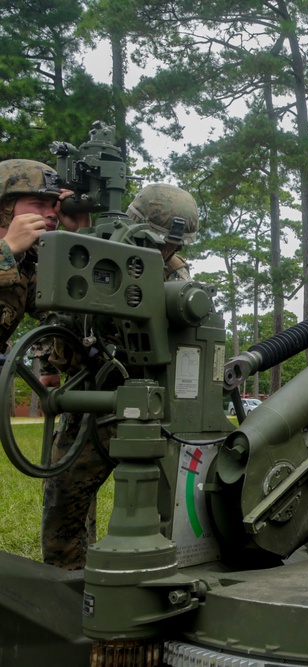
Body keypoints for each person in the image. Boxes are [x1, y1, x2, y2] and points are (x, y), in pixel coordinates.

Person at [41, 183, 200, 570]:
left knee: (174, 505)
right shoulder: (95, 254)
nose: (164, 252)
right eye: (157, 242)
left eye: (171, 247)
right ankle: (67, 581)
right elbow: (56, 321)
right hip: (95, 401)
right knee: (65, 498)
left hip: (159, 405)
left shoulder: (177, 273)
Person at [0, 159, 90, 346]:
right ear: (4, 208)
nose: (52, 213)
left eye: (55, 204)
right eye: (39, 203)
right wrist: (7, 249)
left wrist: (82, 241)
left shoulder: (26, 268)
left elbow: (74, 319)